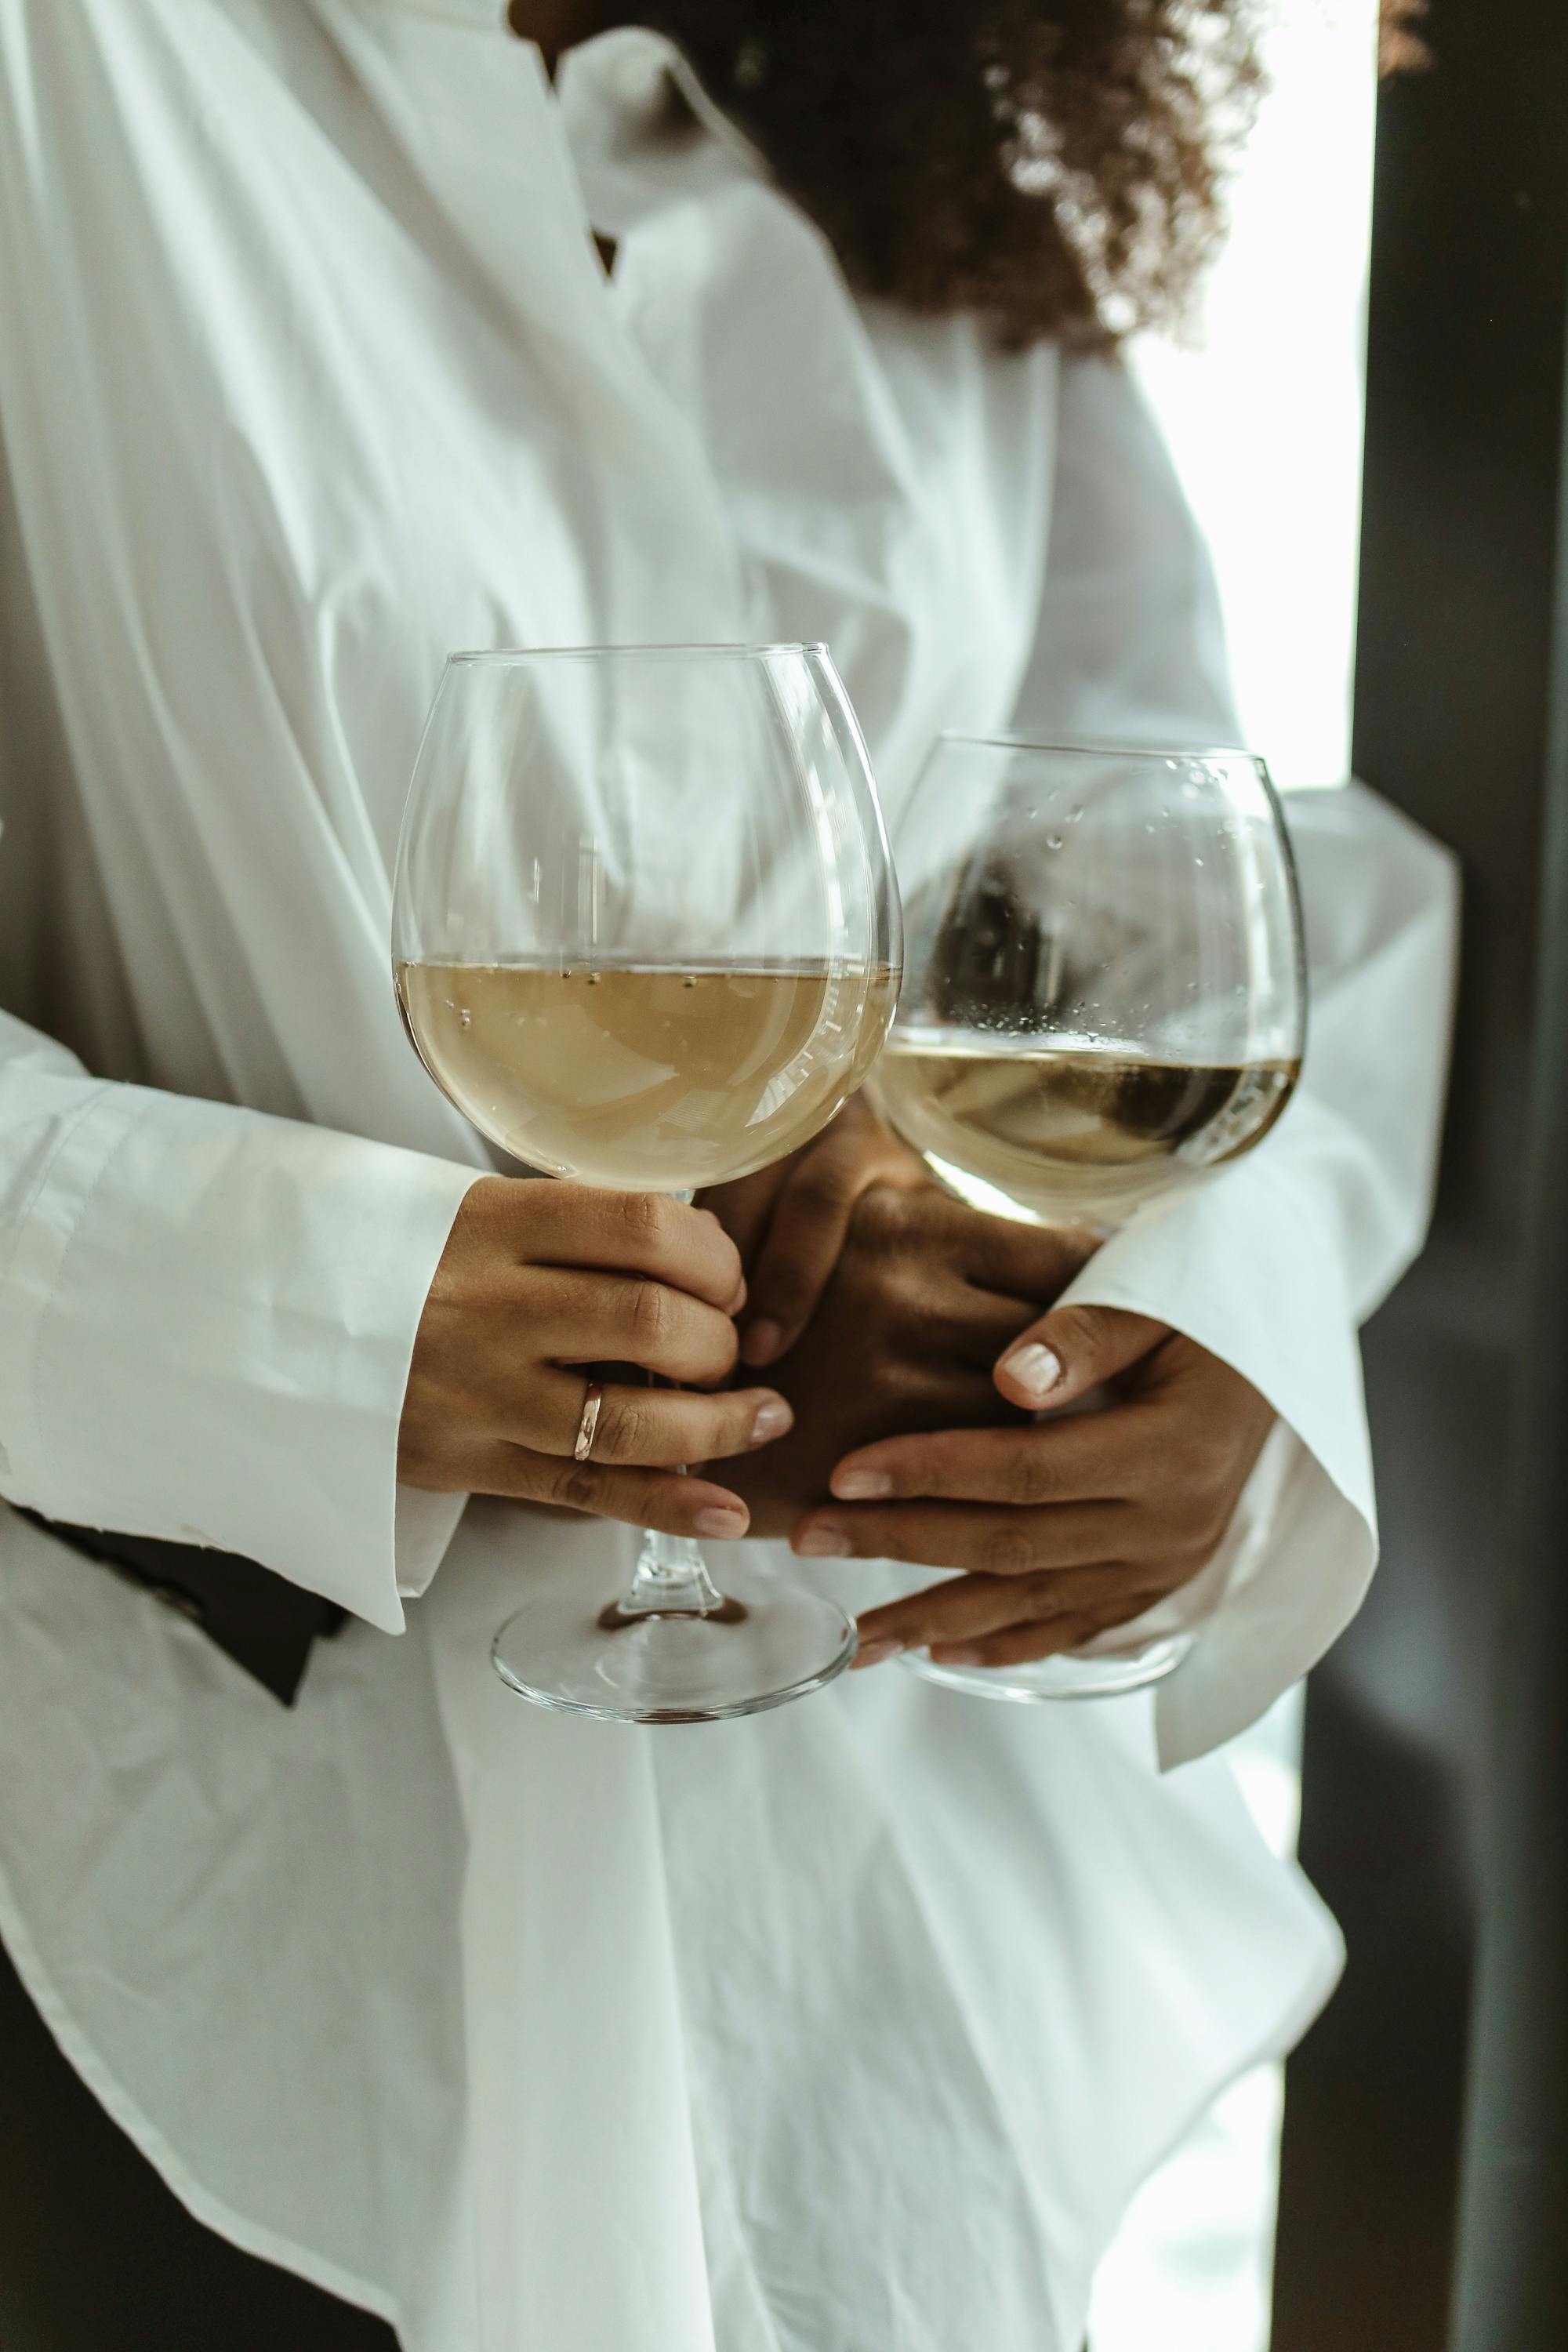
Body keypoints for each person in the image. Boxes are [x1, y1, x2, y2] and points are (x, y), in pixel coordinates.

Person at [0, 4, 1455, 2348]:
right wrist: (323, 1312)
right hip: (174, 1886)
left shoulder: (910, 123)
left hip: (867, 1907)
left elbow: (1211, 881)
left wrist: (1187, 1318)